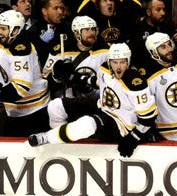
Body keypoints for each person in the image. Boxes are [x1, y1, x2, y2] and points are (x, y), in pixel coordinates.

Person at [29, 43, 158, 158]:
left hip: (121, 123)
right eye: (115, 62)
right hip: (102, 106)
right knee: (56, 106)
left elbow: (149, 117)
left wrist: (134, 138)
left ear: (128, 62)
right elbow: (97, 82)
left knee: (87, 124)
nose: (118, 67)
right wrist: (73, 77)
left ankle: (47, 138)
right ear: (109, 61)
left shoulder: (136, 83)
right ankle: (60, 145)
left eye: (122, 62)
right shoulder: (104, 69)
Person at [0, 9, 50, 137]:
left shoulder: (22, 49)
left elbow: (21, 89)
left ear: (15, 30)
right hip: (13, 110)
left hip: (35, 110)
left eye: (3, 29)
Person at [41, 15, 108, 99]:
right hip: (68, 101)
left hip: (95, 101)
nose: (91, 33)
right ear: (76, 33)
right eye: (86, 30)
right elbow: (45, 80)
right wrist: (56, 76)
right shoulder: (60, 52)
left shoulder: (105, 51)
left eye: (93, 29)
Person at [75, 0, 141, 47]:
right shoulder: (93, 21)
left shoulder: (122, 18)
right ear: (98, 6)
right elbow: (80, 12)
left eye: (111, 0)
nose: (109, 3)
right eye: (104, 0)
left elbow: (137, 7)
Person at [145, 32, 177, 141]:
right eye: (163, 47)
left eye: (169, 44)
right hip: (168, 134)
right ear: (154, 53)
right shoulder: (150, 79)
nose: (169, 49)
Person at [25, 0, 68, 68]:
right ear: (44, 11)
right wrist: (41, 42)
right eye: (55, 8)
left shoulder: (66, 28)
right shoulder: (33, 30)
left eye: (61, 8)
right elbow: (28, 56)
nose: (60, 12)